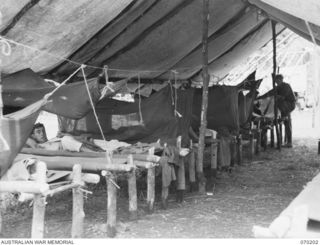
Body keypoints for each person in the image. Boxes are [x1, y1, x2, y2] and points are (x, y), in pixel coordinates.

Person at [257, 74, 295, 147]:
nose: (277, 82)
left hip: (290, 104)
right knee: (272, 101)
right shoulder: (277, 87)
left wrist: (274, 97)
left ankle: (284, 116)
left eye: (278, 80)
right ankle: (279, 116)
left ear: (281, 80)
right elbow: (269, 93)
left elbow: (282, 97)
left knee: (276, 102)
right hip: (283, 105)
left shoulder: (286, 86)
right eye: (276, 81)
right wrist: (259, 97)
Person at [25, 123, 104, 152]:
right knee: (66, 140)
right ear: (33, 136)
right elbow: (25, 139)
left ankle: (102, 150)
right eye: (38, 132)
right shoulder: (38, 147)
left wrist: (65, 134)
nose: (42, 134)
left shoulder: (52, 140)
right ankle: (96, 154)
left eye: (43, 131)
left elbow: (79, 138)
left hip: (78, 143)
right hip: (67, 146)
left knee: (86, 138)